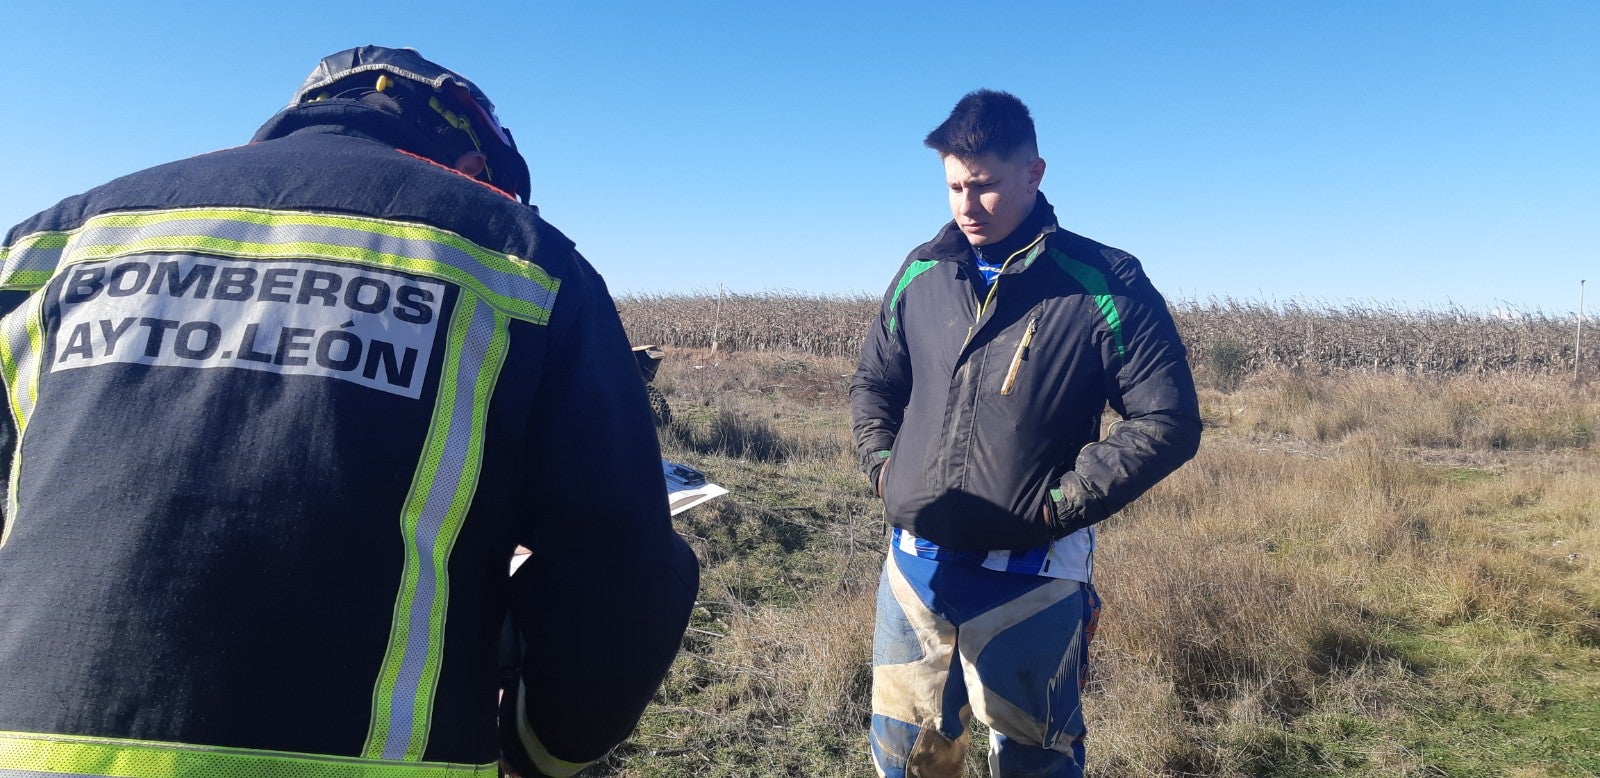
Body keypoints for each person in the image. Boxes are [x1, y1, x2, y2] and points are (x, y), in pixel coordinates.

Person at [0, 46, 698, 778]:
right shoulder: (523, 262)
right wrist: (545, 747)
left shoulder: (49, 245)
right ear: (470, 165)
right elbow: (623, 575)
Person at [850, 90, 1201, 777]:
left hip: (1031, 583)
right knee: (909, 759)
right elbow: (874, 384)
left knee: (1035, 760)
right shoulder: (923, 272)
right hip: (915, 575)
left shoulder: (1106, 282)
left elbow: (1168, 421)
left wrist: (1054, 508)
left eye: (983, 187)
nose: (965, 206)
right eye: (954, 186)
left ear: (1034, 173)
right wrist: (886, 471)